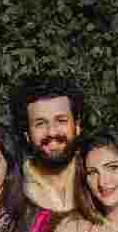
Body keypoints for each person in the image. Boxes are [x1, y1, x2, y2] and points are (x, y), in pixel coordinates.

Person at [11, 76, 85, 213]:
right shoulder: (13, 186)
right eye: (40, 123)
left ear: (77, 126)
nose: (52, 132)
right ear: (27, 134)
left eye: (61, 120)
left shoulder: (98, 176)